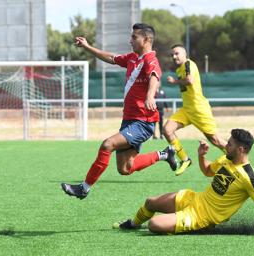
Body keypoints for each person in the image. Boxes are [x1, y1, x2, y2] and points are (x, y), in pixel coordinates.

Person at [61, 23, 177, 200]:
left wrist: (150, 96)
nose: (130, 40)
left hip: (143, 122)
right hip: (129, 120)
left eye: (134, 37)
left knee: (107, 144)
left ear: (146, 39)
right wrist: (88, 47)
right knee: (125, 168)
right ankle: (164, 154)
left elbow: (155, 76)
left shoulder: (150, 60)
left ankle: (83, 188)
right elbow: (111, 58)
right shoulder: (133, 58)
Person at [113, 128, 254, 237]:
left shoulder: (250, 177)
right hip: (194, 199)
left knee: (154, 224)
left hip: (200, 217)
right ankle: (133, 224)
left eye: (230, 144)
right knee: (150, 202)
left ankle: (191, 227)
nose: (226, 146)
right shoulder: (225, 160)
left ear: (241, 149)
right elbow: (207, 171)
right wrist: (201, 155)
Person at [164, 44, 226, 176]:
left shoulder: (188, 64)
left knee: (215, 140)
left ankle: (237, 159)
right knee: (167, 130)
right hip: (187, 109)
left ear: (185, 54)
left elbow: (190, 80)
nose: (174, 57)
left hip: (199, 109)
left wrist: (175, 82)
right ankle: (185, 160)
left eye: (177, 53)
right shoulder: (179, 69)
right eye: (172, 55)